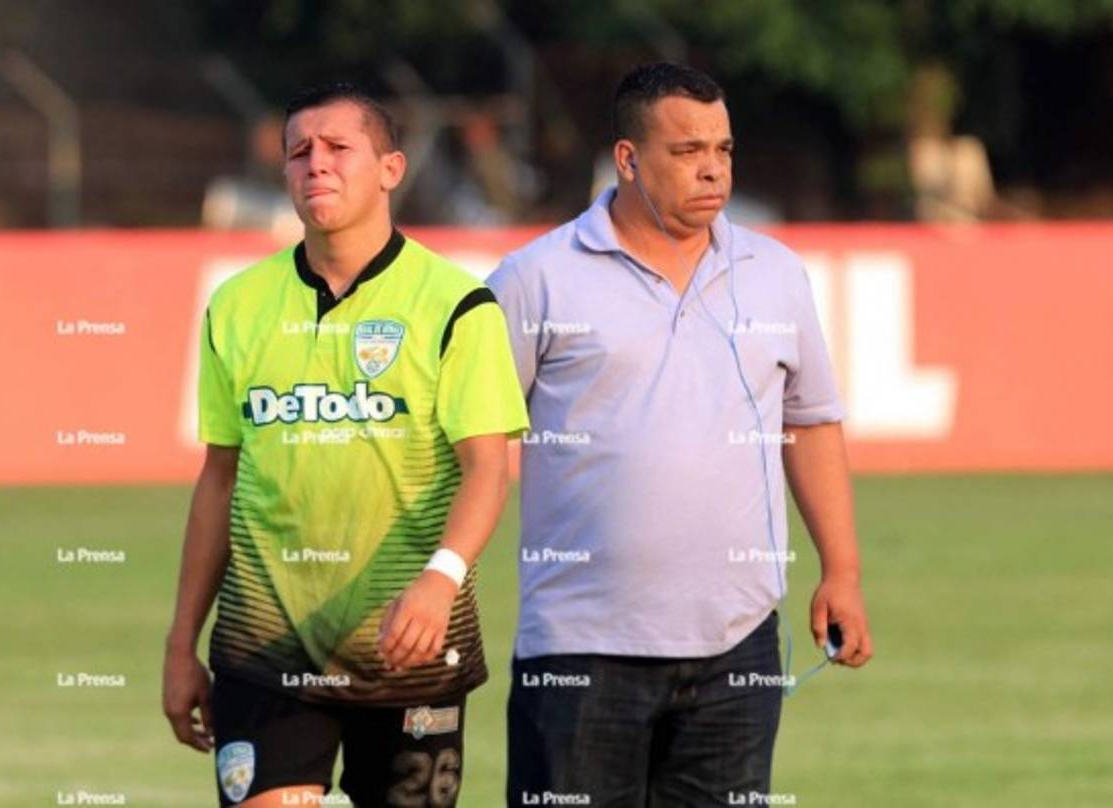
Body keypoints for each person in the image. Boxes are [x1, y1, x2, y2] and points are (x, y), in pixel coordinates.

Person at [488, 62, 874, 806]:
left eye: (723, 150)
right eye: (687, 150)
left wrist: (843, 572)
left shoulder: (776, 273)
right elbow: (475, 449)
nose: (712, 169)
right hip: (579, 648)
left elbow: (811, 422)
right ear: (628, 159)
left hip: (739, 648)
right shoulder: (535, 278)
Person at [162, 82, 529, 808]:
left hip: (413, 650)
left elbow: (489, 467)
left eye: (337, 148)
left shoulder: (458, 305)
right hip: (265, 648)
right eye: (299, 152)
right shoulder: (236, 306)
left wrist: (440, 578)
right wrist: (181, 643)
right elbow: (219, 481)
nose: (315, 165)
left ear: (391, 168)